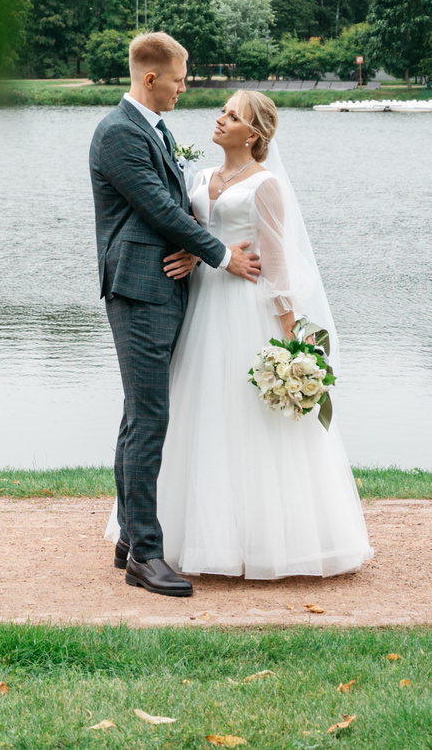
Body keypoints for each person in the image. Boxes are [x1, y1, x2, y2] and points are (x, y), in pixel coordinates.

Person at [151, 89, 372, 578]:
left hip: (243, 309)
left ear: (253, 135)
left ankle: (264, 539)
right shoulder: (199, 176)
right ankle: (188, 535)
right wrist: (194, 253)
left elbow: (276, 267)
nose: (221, 118)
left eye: (232, 115)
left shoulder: (265, 186)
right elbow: (190, 230)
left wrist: (292, 342)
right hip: (200, 305)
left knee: (246, 418)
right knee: (199, 412)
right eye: (223, 111)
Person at [88, 32, 260, 597]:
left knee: (138, 416)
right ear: (151, 78)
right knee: (149, 420)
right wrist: (220, 254)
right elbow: (157, 207)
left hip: (162, 284)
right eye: (181, 80)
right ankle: (147, 554)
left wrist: (191, 246)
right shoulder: (117, 133)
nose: (186, 90)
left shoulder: (152, 130)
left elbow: (171, 210)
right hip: (138, 290)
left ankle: (127, 540)